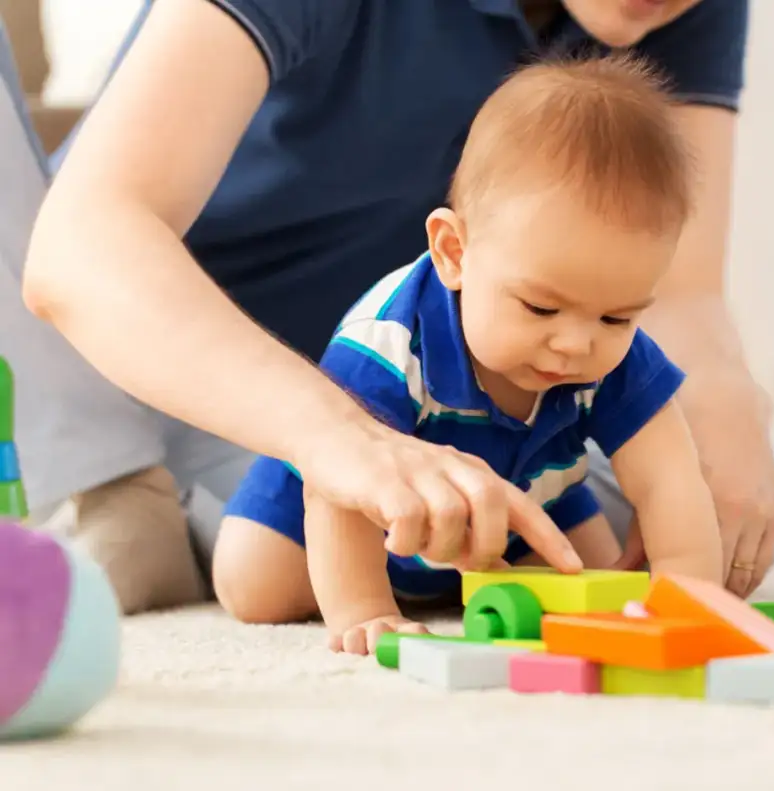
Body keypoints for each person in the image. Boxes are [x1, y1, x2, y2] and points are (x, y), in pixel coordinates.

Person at [6, 0, 774, 615]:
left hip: (414, 413)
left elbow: (678, 290)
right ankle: (110, 483)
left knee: (722, 473)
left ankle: (203, 526)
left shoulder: (673, 9)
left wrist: (723, 398)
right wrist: (343, 439)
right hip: (144, 370)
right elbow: (80, 248)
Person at [219, 54, 727, 654]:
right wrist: (365, 610)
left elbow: (670, 479)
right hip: (350, 512)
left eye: (617, 317)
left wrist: (691, 597)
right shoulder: (389, 344)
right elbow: (341, 490)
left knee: (590, 585)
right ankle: (194, 522)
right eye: (541, 307)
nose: (576, 343)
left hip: (524, 508)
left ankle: (458, 582)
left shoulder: (617, 354)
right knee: (254, 588)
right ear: (454, 252)